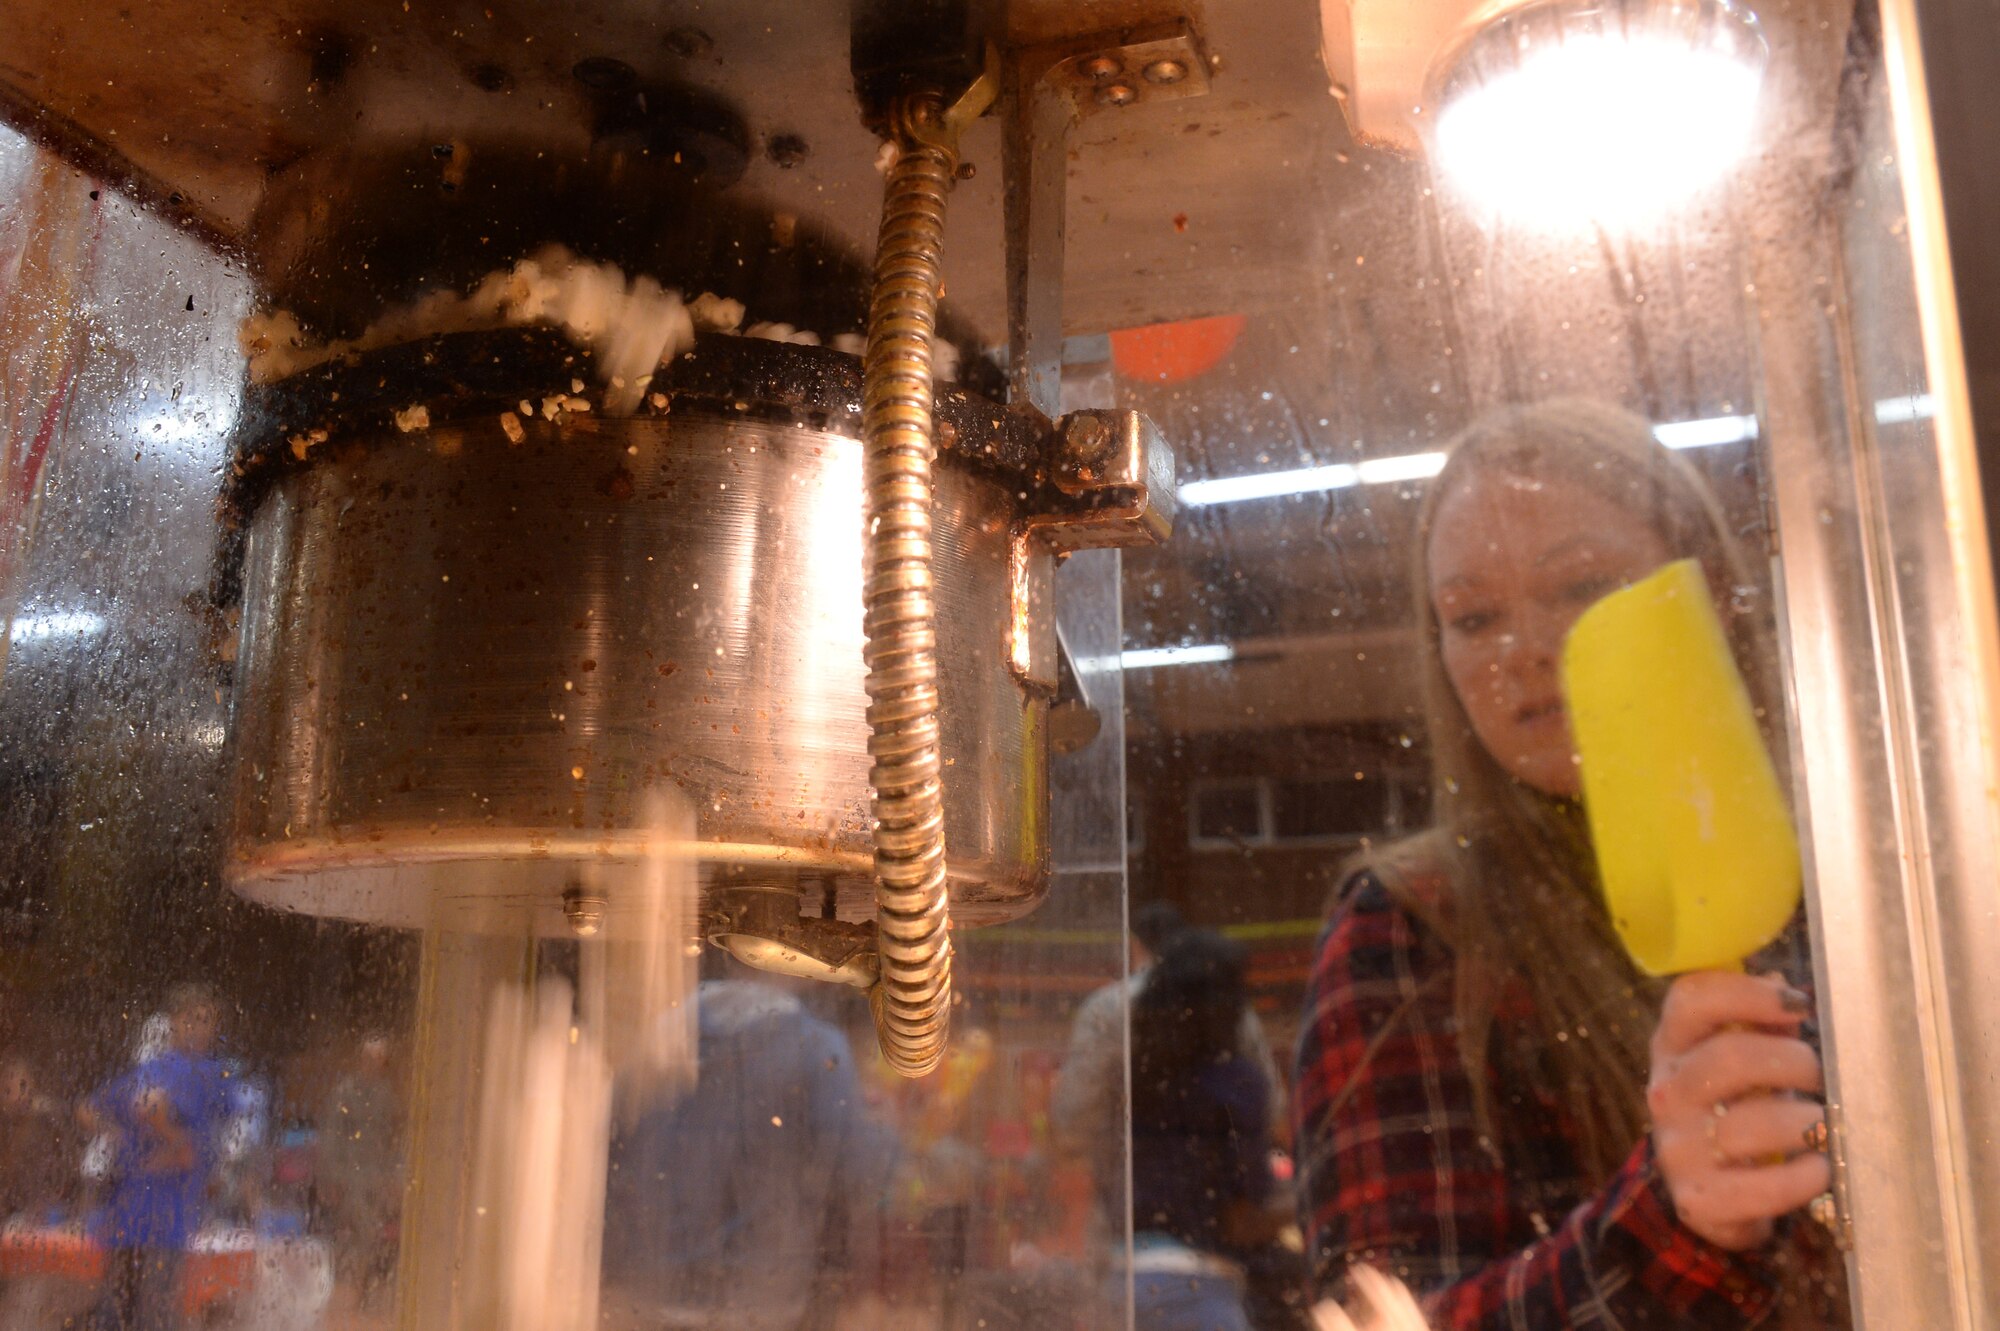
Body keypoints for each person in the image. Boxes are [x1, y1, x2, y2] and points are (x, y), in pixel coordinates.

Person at [1292, 400, 1846, 1329]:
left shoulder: (1860, 858)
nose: (1522, 650)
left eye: (1582, 587)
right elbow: (1392, 1318)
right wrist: (1678, 1219)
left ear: (1702, 586)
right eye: (1472, 616)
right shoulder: (1410, 923)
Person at [1123, 929, 1285, 1331]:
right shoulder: (1237, 1087)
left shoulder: (1133, 1082)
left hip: (1118, 1278)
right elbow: (1241, 1220)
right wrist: (1305, 1205)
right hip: (1201, 1290)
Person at [80, 982, 233, 1331]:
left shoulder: (214, 1076)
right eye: (190, 1019)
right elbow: (92, 1109)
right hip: (134, 1214)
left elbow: (212, 1142)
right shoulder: (155, 1069)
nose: (197, 1028)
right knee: (124, 1312)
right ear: (173, 1023)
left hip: (173, 1218)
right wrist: (131, 1135)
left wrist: (175, 1141)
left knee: (150, 1311)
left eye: (206, 1020)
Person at [316, 1032, 400, 1310]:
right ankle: (344, 1290)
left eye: (380, 1060)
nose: (374, 1065)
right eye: (370, 1058)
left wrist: (392, 1178)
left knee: (370, 1236)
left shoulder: (386, 1095)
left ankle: (359, 1288)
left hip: (374, 1177)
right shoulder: (345, 1092)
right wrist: (331, 1177)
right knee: (353, 1235)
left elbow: (391, 1140)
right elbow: (332, 1137)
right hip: (348, 1176)